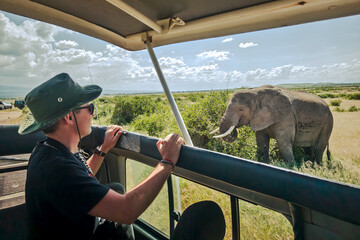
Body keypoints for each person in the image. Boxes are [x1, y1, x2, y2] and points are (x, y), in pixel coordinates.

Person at [19, 73, 225, 240]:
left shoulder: (47, 150)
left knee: (115, 188)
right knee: (205, 215)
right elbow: (127, 212)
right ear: (68, 117)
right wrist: (167, 161)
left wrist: (102, 149)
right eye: (89, 108)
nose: (92, 113)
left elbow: (79, 181)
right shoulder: (56, 168)